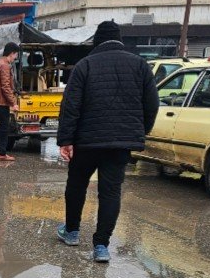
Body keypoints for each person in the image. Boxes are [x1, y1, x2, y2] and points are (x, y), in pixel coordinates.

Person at [55, 21, 158, 263]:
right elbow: (152, 104)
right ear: (120, 39)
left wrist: (66, 140)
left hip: (86, 142)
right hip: (119, 143)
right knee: (110, 192)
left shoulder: (85, 65)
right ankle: (101, 246)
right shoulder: (140, 65)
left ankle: (71, 232)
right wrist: (139, 131)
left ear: (97, 40)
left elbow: (70, 106)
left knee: (77, 184)